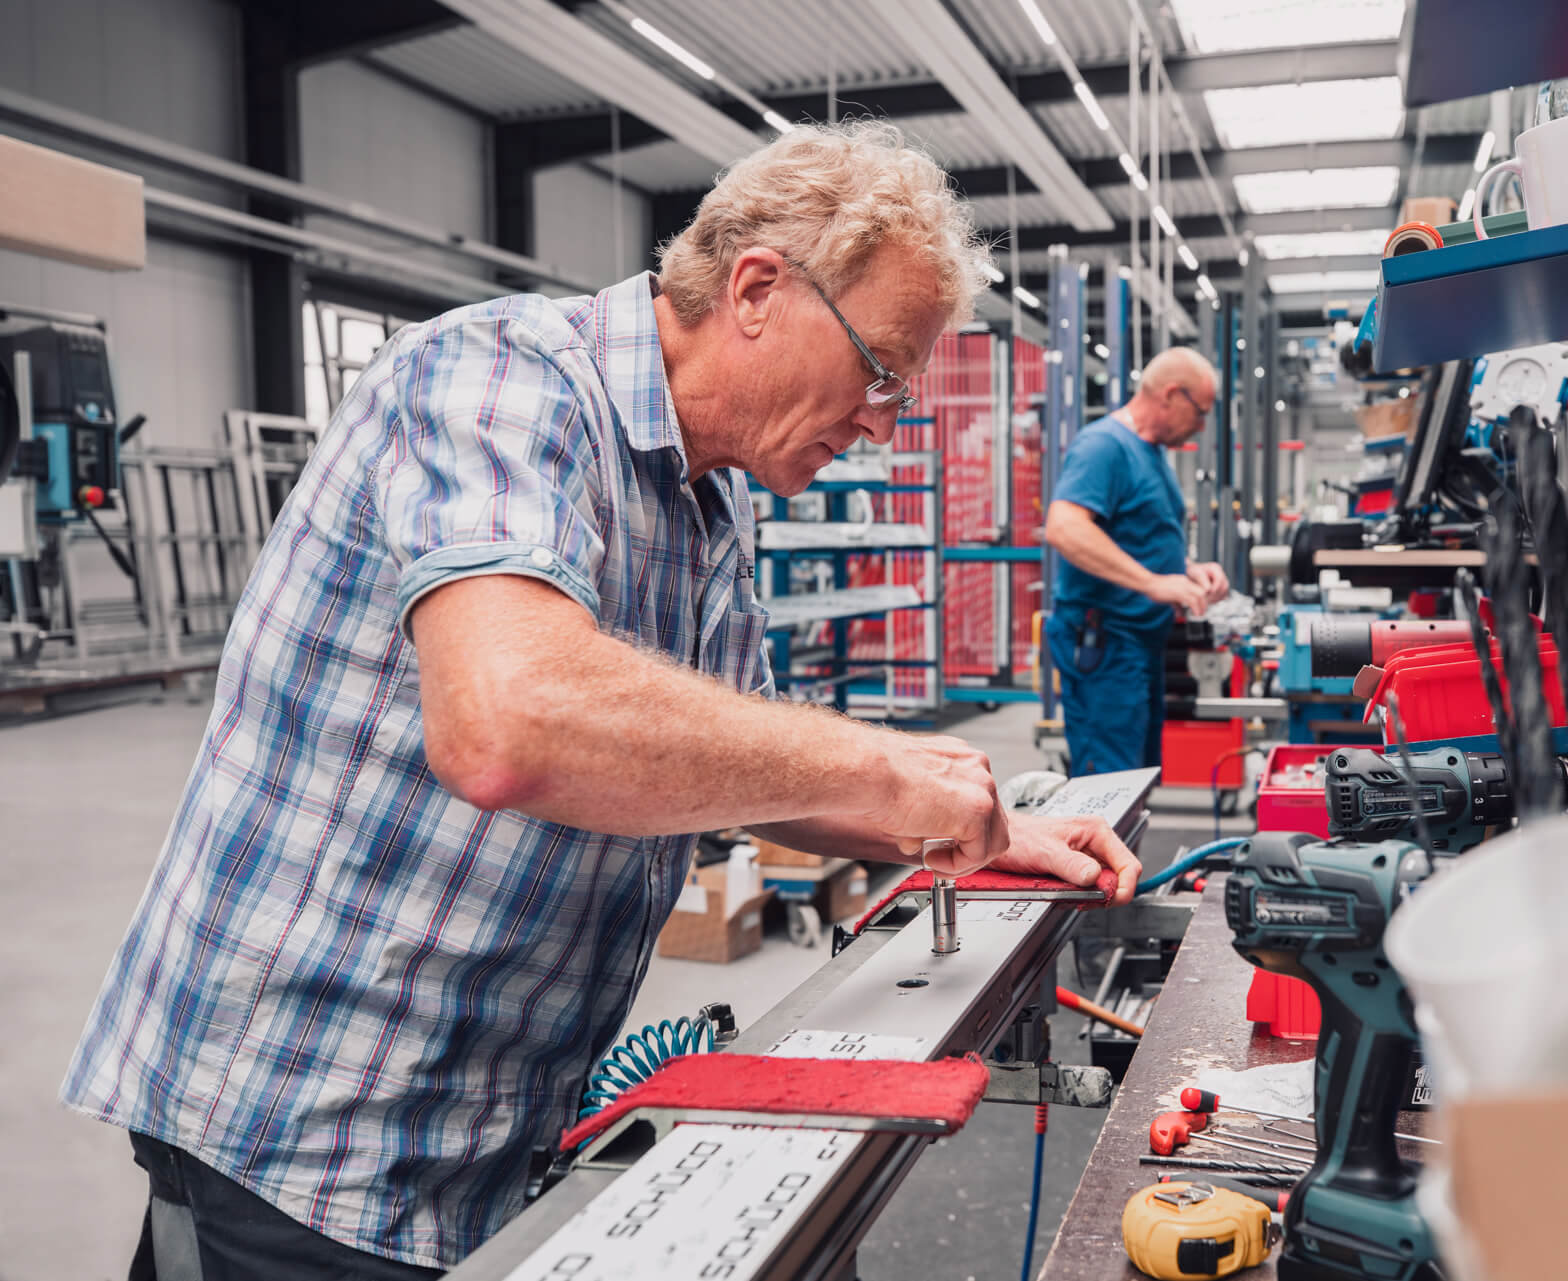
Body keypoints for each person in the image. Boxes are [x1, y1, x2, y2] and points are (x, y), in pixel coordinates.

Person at [62, 122, 1141, 1280]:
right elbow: (510, 719)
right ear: (759, 288)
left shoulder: (708, 500)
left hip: (480, 1125)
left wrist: (988, 830)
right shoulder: (501, 380)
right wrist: (892, 776)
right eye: (881, 369)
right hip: (304, 1126)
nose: (887, 417)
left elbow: (763, 769)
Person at [1042, 348, 1230, 776]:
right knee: (1106, 786)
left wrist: (1186, 569)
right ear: (1171, 395)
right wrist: (1152, 583)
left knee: (1135, 779)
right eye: (1200, 413)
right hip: (1106, 645)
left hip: (1138, 645)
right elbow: (1064, 527)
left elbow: (1140, 534)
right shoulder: (1103, 447)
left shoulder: (1151, 452)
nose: (1201, 426)